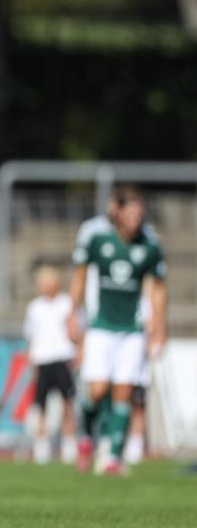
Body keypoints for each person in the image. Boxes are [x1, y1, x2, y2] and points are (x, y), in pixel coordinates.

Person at [69, 184, 167, 476]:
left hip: (132, 329)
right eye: (131, 213)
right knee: (97, 391)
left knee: (124, 392)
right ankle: (85, 437)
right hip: (100, 326)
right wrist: (73, 314)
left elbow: (158, 287)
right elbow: (80, 276)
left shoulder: (149, 244)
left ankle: (113, 457)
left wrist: (158, 324)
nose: (136, 219)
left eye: (140, 214)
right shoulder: (98, 238)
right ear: (118, 212)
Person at [23, 264, 78, 465]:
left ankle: (69, 444)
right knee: (41, 405)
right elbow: (31, 335)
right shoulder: (35, 307)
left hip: (62, 357)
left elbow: (78, 331)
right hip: (42, 359)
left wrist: (78, 353)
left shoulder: (67, 304)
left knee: (67, 403)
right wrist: (32, 359)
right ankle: (41, 445)